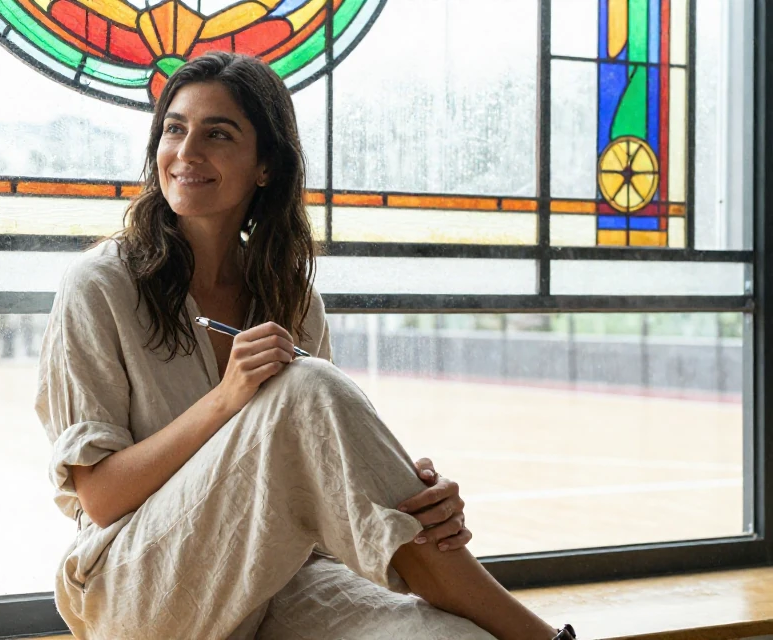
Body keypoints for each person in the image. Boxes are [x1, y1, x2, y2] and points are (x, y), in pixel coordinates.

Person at [35, 51, 575, 640]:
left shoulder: (292, 298)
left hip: (280, 577)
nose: (186, 152)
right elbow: (101, 497)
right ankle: (542, 639)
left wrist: (400, 493)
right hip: (139, 586)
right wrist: (226, 399)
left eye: (217, 134)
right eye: (174, 129)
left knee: (454, 639)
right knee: (309, 383)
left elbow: (315, 473)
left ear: (266, 166)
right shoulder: (100, 285)